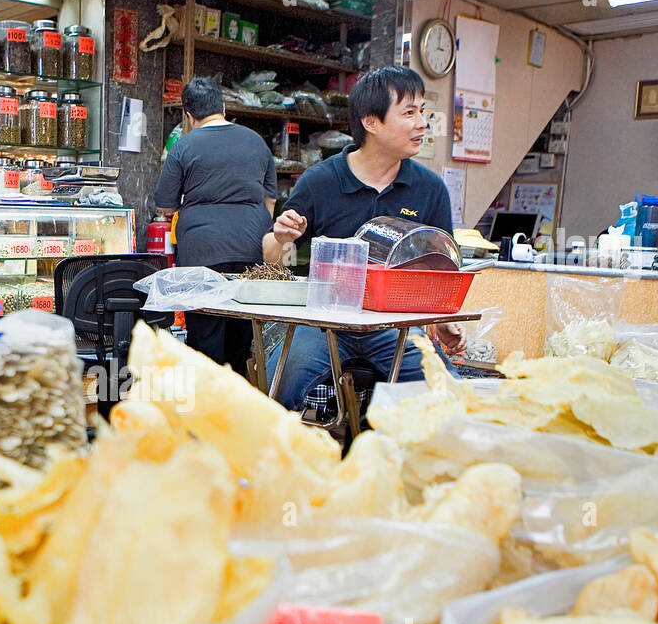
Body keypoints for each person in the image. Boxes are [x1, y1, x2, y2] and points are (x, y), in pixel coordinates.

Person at [261, 66, 465, 408]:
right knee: (276, 390)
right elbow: (272, 259)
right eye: (409, 112)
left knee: (447, 397)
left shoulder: (430, 190)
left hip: (395, 329)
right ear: (371, 122)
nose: (422, 123)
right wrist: (282, 238)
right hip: (323, 324)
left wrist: (442, 322)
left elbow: (441, 272)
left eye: (422, 111)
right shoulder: (320, 181)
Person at [154, 77, 277, 376]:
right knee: (240, 339)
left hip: (202, 252)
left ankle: (206, 413)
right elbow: (270, 202)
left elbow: (165, 206)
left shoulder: (184, 146)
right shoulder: (256, 141)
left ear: (188, 115)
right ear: (223, 107)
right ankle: (235, 407)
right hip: (252, 249)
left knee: (205, 342)